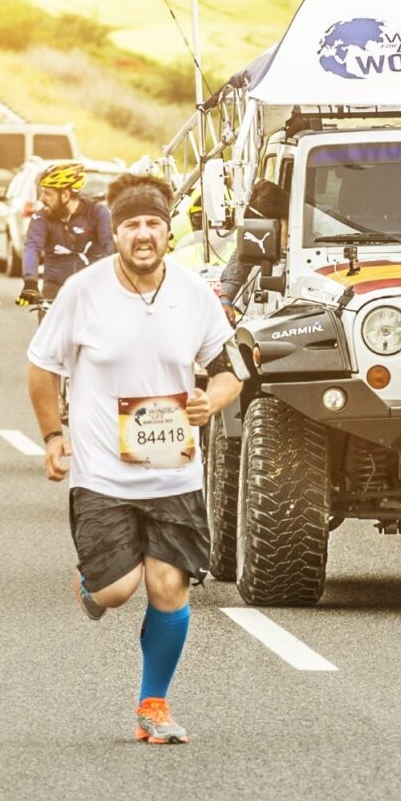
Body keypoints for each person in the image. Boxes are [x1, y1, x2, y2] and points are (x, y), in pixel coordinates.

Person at [26, 175, 239, 745]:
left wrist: (208, 402)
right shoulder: (83, 291)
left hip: (173, 470)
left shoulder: (195, 294)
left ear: (168, 231)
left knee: (169, 585)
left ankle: (154, 705)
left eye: (152, 224)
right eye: (130, 226)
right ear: (114, 234)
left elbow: (229, 371)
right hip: (103, 473)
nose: (142, 235)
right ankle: (92, 584)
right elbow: (42, 365)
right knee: (119, 590)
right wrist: (52, 435)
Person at [21, 162, 113, 309]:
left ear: (65, 195)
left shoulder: (97, 212)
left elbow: (110, 246)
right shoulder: (41, 217)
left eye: (47, 193)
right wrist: (30, 282)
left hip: (92, 286)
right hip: (55, 286)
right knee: (48, 325)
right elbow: (32, 246)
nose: (41, 199)